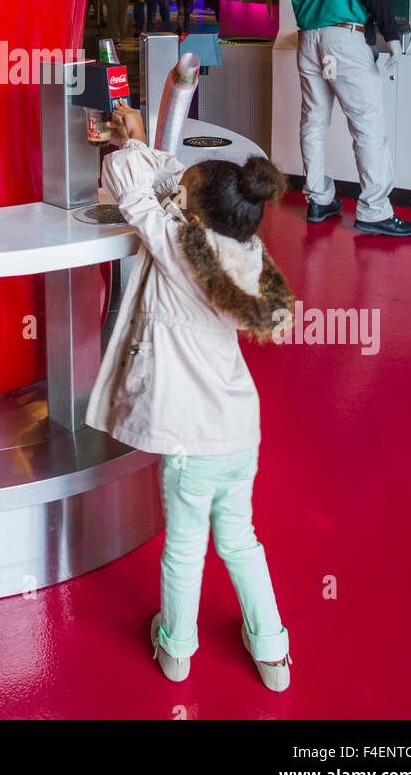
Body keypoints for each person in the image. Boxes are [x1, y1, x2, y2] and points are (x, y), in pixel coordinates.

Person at [86, 102, 294, 691]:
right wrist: (144, 137)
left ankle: (176, 649)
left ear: (193, 213)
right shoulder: (244, 250)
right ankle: (273, 651)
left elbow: (134, 194)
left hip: (189, 440)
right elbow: (180, 185)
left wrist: (126, 145)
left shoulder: (179, 248)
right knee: (240, 540)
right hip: (238, 433)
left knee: (184, 549)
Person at [287, 0, 411, 238]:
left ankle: (319, 198)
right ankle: (375, 210)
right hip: (343, 41)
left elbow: (299, 3)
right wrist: (392, 40)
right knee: (367, 125)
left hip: (308, 41)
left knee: (313, 122)